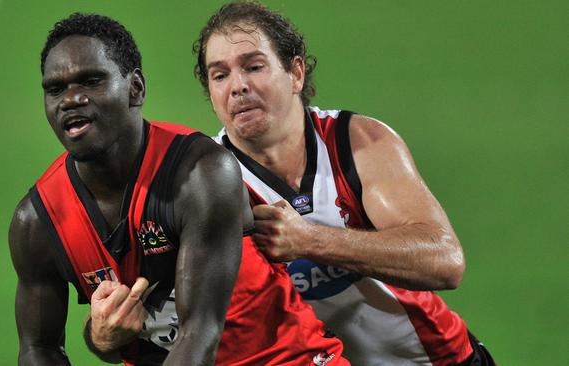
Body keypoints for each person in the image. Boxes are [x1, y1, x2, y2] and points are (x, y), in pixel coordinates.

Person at [9, 12, 349, 366]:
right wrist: (102, 337)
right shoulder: (37, 221)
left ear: (135, 89)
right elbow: (39, 349)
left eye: (91, 81)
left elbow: (198, 335)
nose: (71, 99)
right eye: (55, 89)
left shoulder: (201, 174)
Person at [194, 1, 496, 365]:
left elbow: (445, 261)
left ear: (296, 73)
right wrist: (104, 330)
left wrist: (309, 240)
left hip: (434, 359)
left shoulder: (357, 142)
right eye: (220, 75)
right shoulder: (204, 180)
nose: (238, 87)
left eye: (254, 67)